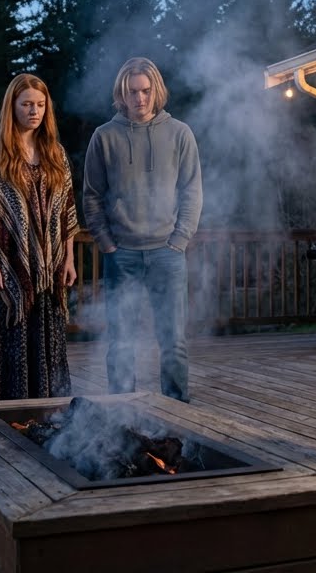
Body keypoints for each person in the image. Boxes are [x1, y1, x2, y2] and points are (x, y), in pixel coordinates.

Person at [83, 57, 202, 402]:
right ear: (122, 93)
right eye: (132, 92)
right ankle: (121, 414)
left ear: (156, 91)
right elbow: (92, 196)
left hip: (168, 252)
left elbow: (192, 190)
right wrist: (106, 244)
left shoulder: (179, 133)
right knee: (120, 340)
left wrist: (180, 240)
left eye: (146, 91)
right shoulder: (103, 137)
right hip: (121, 254)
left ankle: (177, 414)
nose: (140, 98)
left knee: (173, 342)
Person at [0, 73, 79, 401]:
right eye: (26, 104)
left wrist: (67, 258)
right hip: (2, 270)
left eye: (40, 105)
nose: (34, 111)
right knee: (4, 344)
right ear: (12, 106)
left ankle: (45, 414)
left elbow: (67, 212)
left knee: (45, 345)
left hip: (47, 273)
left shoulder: (54, 152)